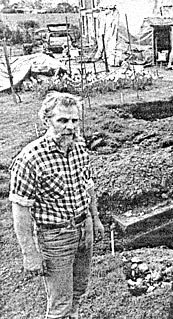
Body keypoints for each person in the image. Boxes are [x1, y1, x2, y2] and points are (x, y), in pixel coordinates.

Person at [9, 92, 105, 319]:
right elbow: (21, 209)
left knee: (78, 291)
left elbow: (87, 186)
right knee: (60, 303)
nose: (70, 126)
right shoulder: (30, 158)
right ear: (46, 121)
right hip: (56, 237)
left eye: (74, 120)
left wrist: (96, 218)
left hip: (85, 227)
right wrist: (29, 254)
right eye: (62, 120)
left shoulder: (79, 147)